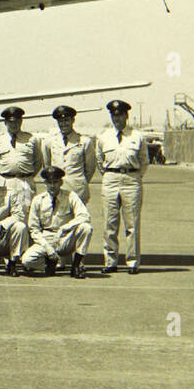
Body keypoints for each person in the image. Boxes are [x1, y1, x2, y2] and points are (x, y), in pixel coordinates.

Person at [95, 98, 149, 274]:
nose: (116, 119)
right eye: (113, 115)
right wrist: (110, 174)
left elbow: (144, 161)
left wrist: (133, 175)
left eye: (119, 115)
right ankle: (110, 261)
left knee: (132, 224)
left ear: (126, 116)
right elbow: (99, 160)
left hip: (131, 180)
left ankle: (132, 262)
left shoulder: (137, 136)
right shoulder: (104, 137)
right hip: (110, 179)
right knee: (109, 224)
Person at [22, 166, 92, 278]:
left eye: (55, 182)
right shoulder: (38, 200)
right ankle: (49, 264)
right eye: (49, 182)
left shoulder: (70, 196)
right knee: (27, 261)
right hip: (46, 238)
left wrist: (65, 228)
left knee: (86, 228)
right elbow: (34, 229)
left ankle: (76, 265)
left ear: (61, 182)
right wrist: (47, 248)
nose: (52, 186)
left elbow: (84, 215)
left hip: (65, 237)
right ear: (45, 183)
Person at [42, 105, 97, 205]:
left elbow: (90, 168)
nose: (63, 124)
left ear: (73, 120)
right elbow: (47, 165)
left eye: (66, 120)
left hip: (77, 190)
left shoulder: (84, 141)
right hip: (57, 189)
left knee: (79, 219)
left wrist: (80, 182)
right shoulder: (49, 141)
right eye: (60, 121)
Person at [0, 106, 42, 205]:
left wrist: (27, 176)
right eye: (11, 122)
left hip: (25, 182)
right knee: (4, 211)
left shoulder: (32, 139)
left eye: (17, 121)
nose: (14, 124)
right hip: (5, 182)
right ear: (5, 122)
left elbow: (38, 162)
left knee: (26, 210)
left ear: (21, 121)